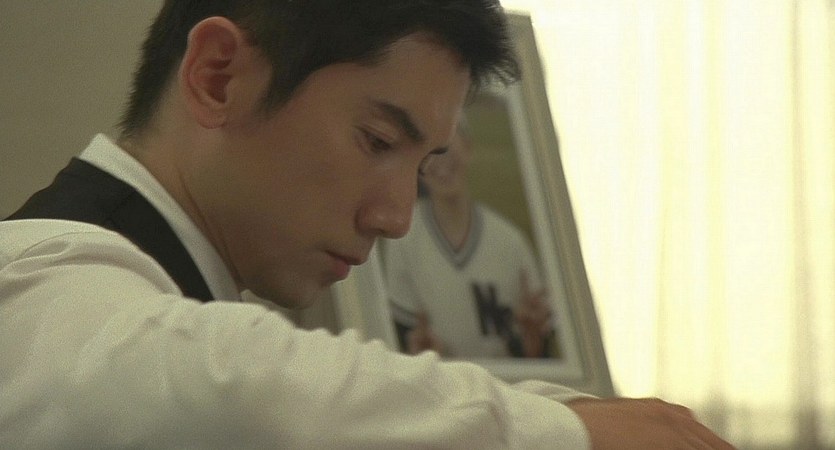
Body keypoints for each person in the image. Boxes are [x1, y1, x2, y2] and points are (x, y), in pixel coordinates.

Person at [0, 1, 735, 448]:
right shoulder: (40, 275)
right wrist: (565, 433)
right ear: (218, 76)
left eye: (421, 166)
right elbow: (233, 389)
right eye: (378, 141)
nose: (394, 218)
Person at [384, 120, 558, 358]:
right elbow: (401, 338)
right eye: (427, 150)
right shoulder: (403, 236)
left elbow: (538, 350)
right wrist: (417, 357)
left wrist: (534, 346)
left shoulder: (511, 241)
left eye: (445, 145)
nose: (439, 159)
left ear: (467, 147)